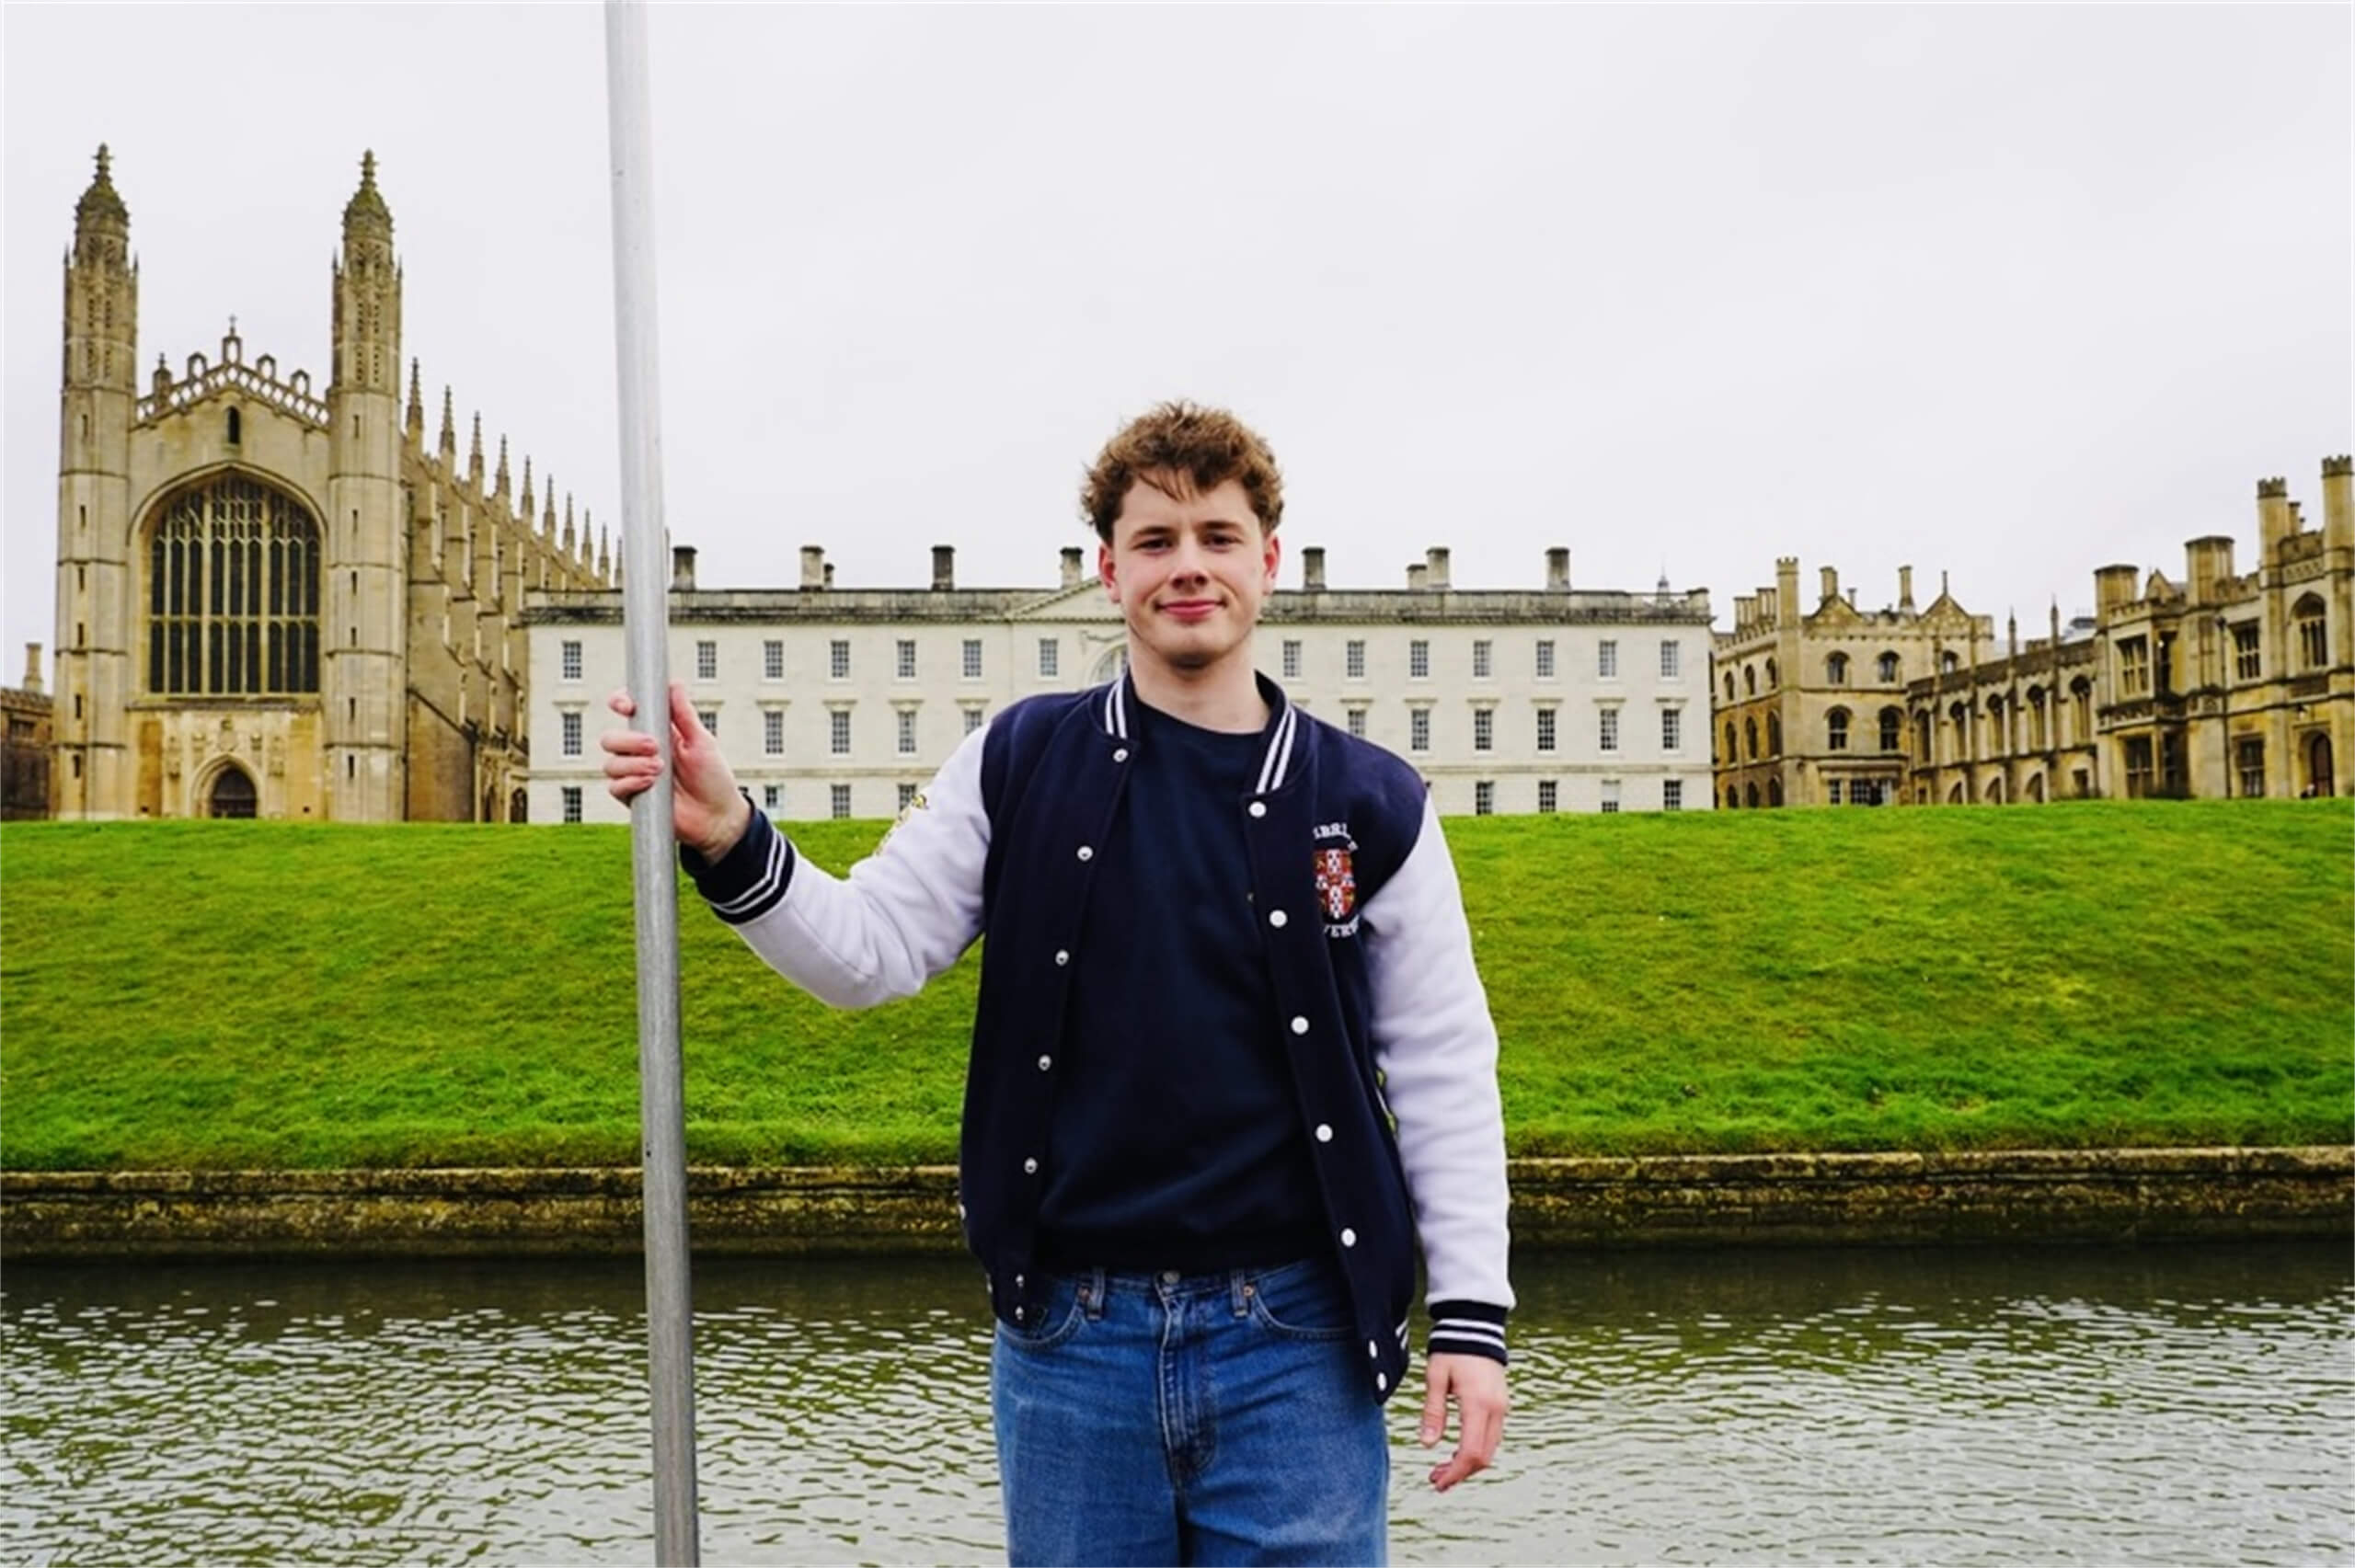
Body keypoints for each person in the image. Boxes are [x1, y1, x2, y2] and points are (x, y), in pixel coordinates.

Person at [603, 402, 1511, 1565]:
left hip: (1297, 1336)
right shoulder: (1023, 760)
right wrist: (731, 832)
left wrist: (1472, 1322)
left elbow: (1442, 1065)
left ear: (1269, 562)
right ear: (1107, 569)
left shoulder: (1370, 799)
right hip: (1072, 1341)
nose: (1189, 566)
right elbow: (871, 949)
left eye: (1219, 537)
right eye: (1155, 539)